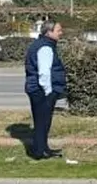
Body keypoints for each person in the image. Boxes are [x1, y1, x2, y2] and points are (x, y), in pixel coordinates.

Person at [24, 18, 67, 160]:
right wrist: (48, 92)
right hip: (42, 90)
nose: (61, 33)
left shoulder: (42, 44)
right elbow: (44, 72)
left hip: (38, 89)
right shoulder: (45, 47)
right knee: (42, 121)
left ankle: (43, 149)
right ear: (49, 32)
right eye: (58, 30)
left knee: (43, 121)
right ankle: (38, 152)